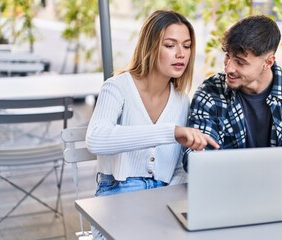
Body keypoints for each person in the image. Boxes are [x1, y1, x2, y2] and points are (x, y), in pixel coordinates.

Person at [86, 10, 219, 239]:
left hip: (165, 197)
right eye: (170, 45)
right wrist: (171, 132)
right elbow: (96, 139)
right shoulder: (117, 87)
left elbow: (178, 168)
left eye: (187, 46)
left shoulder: (180, 99)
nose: (181, 54)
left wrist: (174, 197)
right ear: (150, 46)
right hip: (117, 196)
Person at [183, 15, 282, 189]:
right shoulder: (210, 93)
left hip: (279, 193)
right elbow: (198, 158)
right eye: (228, 56)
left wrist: (271, 186)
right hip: (225, 193)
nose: (228, 68)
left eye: (240, 62)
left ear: (268, 62)